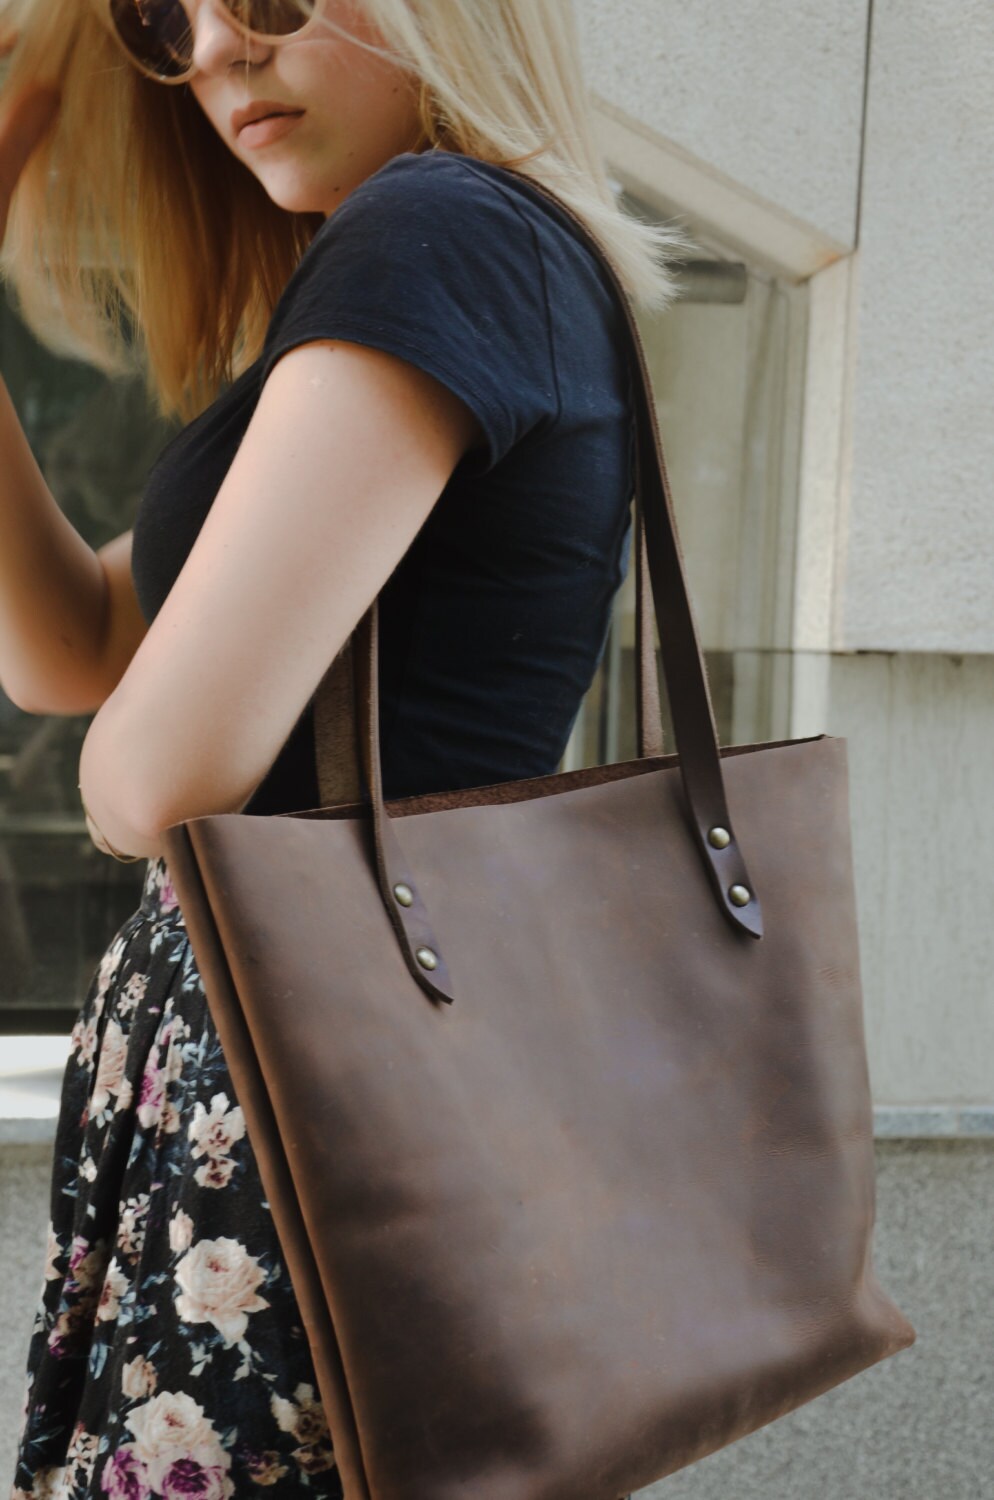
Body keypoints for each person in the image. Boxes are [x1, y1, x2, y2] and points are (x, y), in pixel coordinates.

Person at [0, 1, 689, 1494]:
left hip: (311, 1114)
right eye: (157, 18)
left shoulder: (443, 234)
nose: (214, 52)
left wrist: (150, 745)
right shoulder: (440, 256)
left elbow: (148, 778)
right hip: (325, 1082)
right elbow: (65, 643)